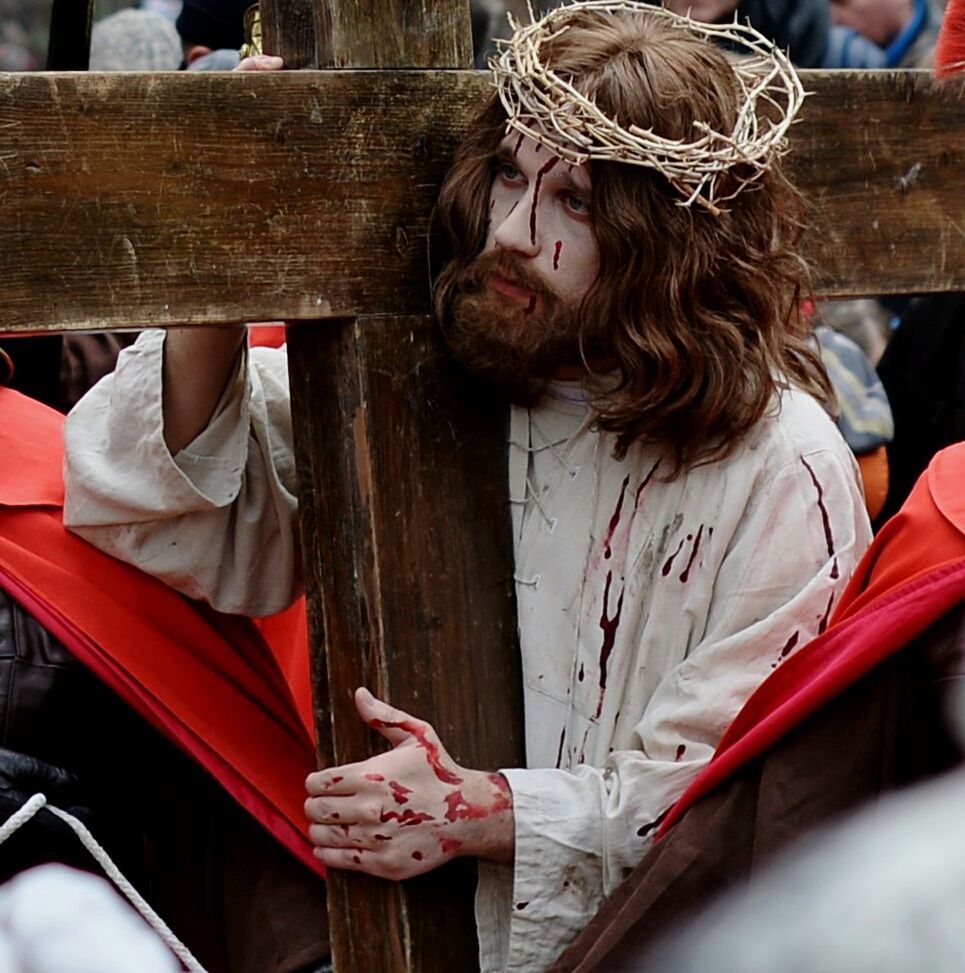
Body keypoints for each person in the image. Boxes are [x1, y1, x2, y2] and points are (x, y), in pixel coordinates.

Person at [63, 5, 872, 968]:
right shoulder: (442, 372)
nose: (514, 233)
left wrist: (482, 812)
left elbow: (742, 796)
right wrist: (234, 238)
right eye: (508, 175)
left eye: (575, 201)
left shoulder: (783, 463)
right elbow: (182, 502)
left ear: (674, 239)